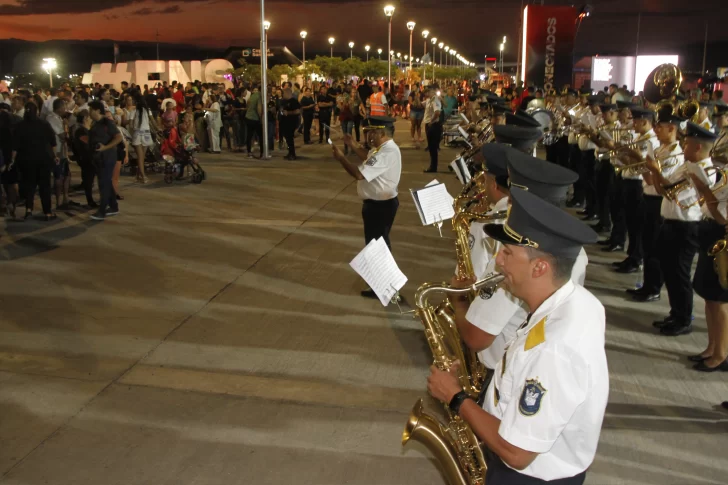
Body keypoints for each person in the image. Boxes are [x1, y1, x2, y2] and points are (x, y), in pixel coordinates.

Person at [427, 187, 605, 485]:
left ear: (540, 267)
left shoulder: (555, 350)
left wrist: (456, 398)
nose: (498, 262)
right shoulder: (576, 301)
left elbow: (517, 452)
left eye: (507, 253)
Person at [649, 119, 713, 336]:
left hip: (687, 227)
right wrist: (655, 172)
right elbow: (665, 189)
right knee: (669, 270)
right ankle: (675, 313)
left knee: (680, 273)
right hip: (671, 222)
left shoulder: (706, 171)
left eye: (686, 144)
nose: (682, 147)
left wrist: (655, 170)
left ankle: (684, 318)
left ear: (697, 147)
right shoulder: (687, 166)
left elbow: (673, 193)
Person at [330, 116, 401, 298]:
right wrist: (353, 145)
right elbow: (368, 159)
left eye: (372, 132)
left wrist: (341, 158)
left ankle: (386, 287)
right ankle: (385, 284)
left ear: (381, 133)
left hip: (380, 206)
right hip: (380, 205)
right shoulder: (383, 149)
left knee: (378, 247)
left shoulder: (386, 153)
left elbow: (359, 174)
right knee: (379, 245)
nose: (369, 136)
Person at [689, 124, 728, 371]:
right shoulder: (723, 176)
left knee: (720, 299)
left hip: (720, 234)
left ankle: (722, 353)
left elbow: (723, 217)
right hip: (709, 231)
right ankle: (712, 346)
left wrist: (703, 188)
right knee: (709, 297)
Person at [10, 102, 57, 220]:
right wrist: (55, 156)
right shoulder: (44, 124)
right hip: (44, 159)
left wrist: (12, 160)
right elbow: (53, 142)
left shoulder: (20, 126)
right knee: (44, 186)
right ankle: (47, 212)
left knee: (29, 185)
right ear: (37, 111)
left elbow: (15, 146)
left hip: (26, 160)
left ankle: (28, 210)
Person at [88, 101, 123, 221]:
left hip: (107, 157)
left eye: (91, 109)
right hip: (99, 158)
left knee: (103, 184)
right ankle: (113, 207)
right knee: (106, 182)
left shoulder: (107, 122)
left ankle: (102, 210)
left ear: (97, 110)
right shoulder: (95, 123)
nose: (89, 112)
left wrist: (105, 147)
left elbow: (119, 137)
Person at [71, 112, 97, 207]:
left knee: (89, 180)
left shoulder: (83, 130)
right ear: (85, 119)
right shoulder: (81, 131)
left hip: (88, 159)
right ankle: (90, 201)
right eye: (89, 118)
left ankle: (90, 200)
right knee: (88, 181)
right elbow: (88, 144)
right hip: (87, 159)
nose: (91, 120)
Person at [423, 86, 443, 173]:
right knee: (431, 147)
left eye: (429, 92)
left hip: (434, 125)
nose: (427, 93)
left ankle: (433, 167)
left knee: (433, 147)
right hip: (430, 124)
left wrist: (431, 121)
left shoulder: (435, 100)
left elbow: (437, 112)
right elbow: (421, 104)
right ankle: (432, 166)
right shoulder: (430, 100)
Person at [279, 88, 301, 160]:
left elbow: (298, 111)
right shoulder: (284, 101)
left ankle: (292, 154)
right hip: (284, 122)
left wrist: (288, 113)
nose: (283, 95)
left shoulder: (294, 101)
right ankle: (290, 153)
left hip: (291, 122)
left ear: (288, 93)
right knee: (287, 138)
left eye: (284, 93)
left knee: (290, 138)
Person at [245, 85, 264, 158]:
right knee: (261, 136)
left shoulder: (252, 95)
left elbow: (248, 104)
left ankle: (249, 152)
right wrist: (261, 118)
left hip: (248, 117)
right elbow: (259, 108)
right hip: (255, 118)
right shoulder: (259, 96)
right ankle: (262, 152)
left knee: (249, 135)